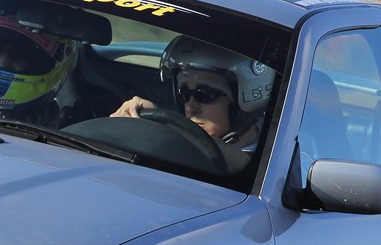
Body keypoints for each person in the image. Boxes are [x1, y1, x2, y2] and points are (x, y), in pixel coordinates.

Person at [111, 35, 272, 169]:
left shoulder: (272, 158)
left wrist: (162, 127)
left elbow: (238, 162)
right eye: (184, 93)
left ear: (245, 101)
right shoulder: (180, 143)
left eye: (205, 95)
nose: (190, 107)